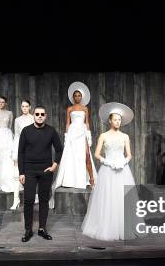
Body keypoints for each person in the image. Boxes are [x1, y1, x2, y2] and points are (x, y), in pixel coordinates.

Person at [82, 103, 137, 241]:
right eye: (115, 119)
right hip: (107, 170)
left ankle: (122, 227)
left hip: (122, 170)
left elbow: (129, 155)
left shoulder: (125, 136)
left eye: (119, 119)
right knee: (108, 198)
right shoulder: (103, 136)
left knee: (121, 197)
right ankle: (107, 227)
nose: (118, 121)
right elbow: (96, 154)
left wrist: (123, 162)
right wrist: (109, 162)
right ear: (110, 120)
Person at [18, 105, 63, 242]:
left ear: (45, 116)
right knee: (28, 200)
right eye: (37, 114)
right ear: (33, 115)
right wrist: (21, 172)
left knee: (44, 200)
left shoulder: (51, 131)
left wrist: (54, 166)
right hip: (29, 170)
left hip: (45, 170)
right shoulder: (26, 131)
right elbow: (21, 152)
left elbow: (59, 149)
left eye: (42, 114)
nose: (39, 116)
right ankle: (28, 230)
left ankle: (42, 229)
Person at [52, 82, 97, 192]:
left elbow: (87, 123)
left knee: (85, 155)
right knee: (71, 155)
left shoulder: (85, 108)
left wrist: (89, 136)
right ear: (73, 97)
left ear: (82, 97)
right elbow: (67, 123)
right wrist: (66, 136)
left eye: (79, 95)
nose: (77, 97)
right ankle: (71, 180)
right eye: (75, 95)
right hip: (72, 132)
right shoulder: (70, 108)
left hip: (82, 132)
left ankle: (89, 179)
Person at [10, 100, 35, 210]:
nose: (24, 108)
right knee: (16, 174)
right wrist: (15, 151)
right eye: (22, 106)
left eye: (26, 106)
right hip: (20, 147)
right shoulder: (17, 120)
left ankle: (33, 197)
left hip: (32, 148)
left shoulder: (33, 118)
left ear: (30, 107)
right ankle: (16, 200)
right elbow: (16, 136)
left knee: (32, 174)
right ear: (21, 108)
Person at [0, 96, 14, 193]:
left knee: (7, 158)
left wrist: (7, 134)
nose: (1, 104)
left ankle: (7, 183)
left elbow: (10, 126)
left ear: (6, 103)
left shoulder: (10, 113)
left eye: (3, 102)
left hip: (7, 136)